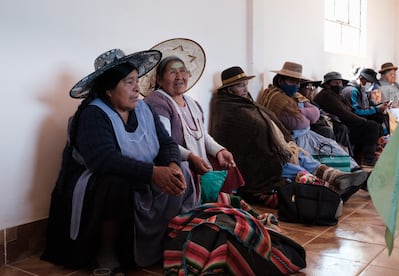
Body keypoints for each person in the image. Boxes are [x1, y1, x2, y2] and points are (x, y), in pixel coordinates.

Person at [41, 49, 198, 272]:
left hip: (140, 173)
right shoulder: (93, 114)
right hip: (98, 185)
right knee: (115, 183)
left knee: (181, 168)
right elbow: (104, 160)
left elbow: (167, 143)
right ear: (108, 90)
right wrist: (153, 173)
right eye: (128, 82)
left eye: (137, 80)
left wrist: (172, 164)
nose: (137, 88)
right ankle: (107, 251)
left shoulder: (144, 109)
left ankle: (168, 240)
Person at [209, 66, 368, 208]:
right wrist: (279, 146)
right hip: (258, 156)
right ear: (229, 89)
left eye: (245, 84)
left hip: (277, 147)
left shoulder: (246, 102)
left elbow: (305, 117)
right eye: (240, 85)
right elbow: (299, 121)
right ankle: (332, 190)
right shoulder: (228, 109)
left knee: (306, 157)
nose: (245, 89)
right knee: (296, 167)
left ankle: (340, 178)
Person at [143, 38, 243, 196]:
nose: (179, 76)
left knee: (226, 163)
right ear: (159, 80)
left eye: (183, 71)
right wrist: (191, 157)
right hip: (175, 161)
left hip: (194, 157)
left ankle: (223, 204)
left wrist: (219, 151)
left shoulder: (192, 103)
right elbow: (165, 142)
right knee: (186, 171)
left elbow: (203, 135)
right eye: (172, 72)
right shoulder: (158, 101)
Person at [256, 62, 360, 170]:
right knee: (323, 156)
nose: (296, 86)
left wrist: (301, 111)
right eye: (292, 81)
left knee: (333, 147)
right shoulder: (277, 100)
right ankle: (344, 174)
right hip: (295, 140)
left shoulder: (295, 96)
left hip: (307, 135)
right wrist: (306, 114)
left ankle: (355, 170)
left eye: (298, 82)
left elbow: (315, 114)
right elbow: (300, 122)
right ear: (281, 80)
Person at [313, 71, 381, 167]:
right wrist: (363, 121)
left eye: (340, 82)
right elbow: (344, 113)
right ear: (328, 85)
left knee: (375, 122)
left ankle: (362, 158)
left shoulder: (337, 95)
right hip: (338, 125)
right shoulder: (327, 95)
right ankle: (368, 160)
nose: (339, 85)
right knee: (372, 126)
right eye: (336, 83)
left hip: (345, 122)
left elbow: (351, 110)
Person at [341, 68, 390, 136]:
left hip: (360, 117)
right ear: (361, 79)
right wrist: (377, 109)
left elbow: (369, 105)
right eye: (369, 82)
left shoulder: (363, 90)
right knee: (374, 125)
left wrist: (381, 105)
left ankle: (386, 137)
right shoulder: (352, 91)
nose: (371, 85)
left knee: (381, 116)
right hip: (351, 121)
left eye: (372, 83)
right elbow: (356, 112)